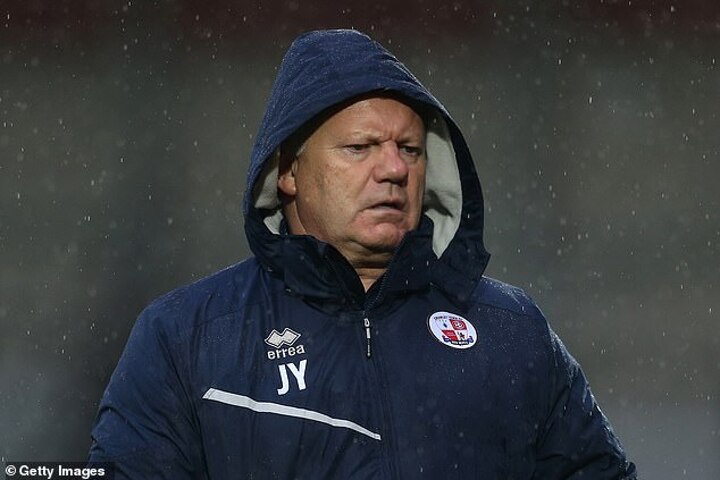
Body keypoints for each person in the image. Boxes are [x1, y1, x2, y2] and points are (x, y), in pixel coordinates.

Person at [89, 29, 637, 479]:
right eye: (360, 148)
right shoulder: (187, 338)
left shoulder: (511, 331)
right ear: (288, 172)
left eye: (410, 149)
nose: (394, 169)